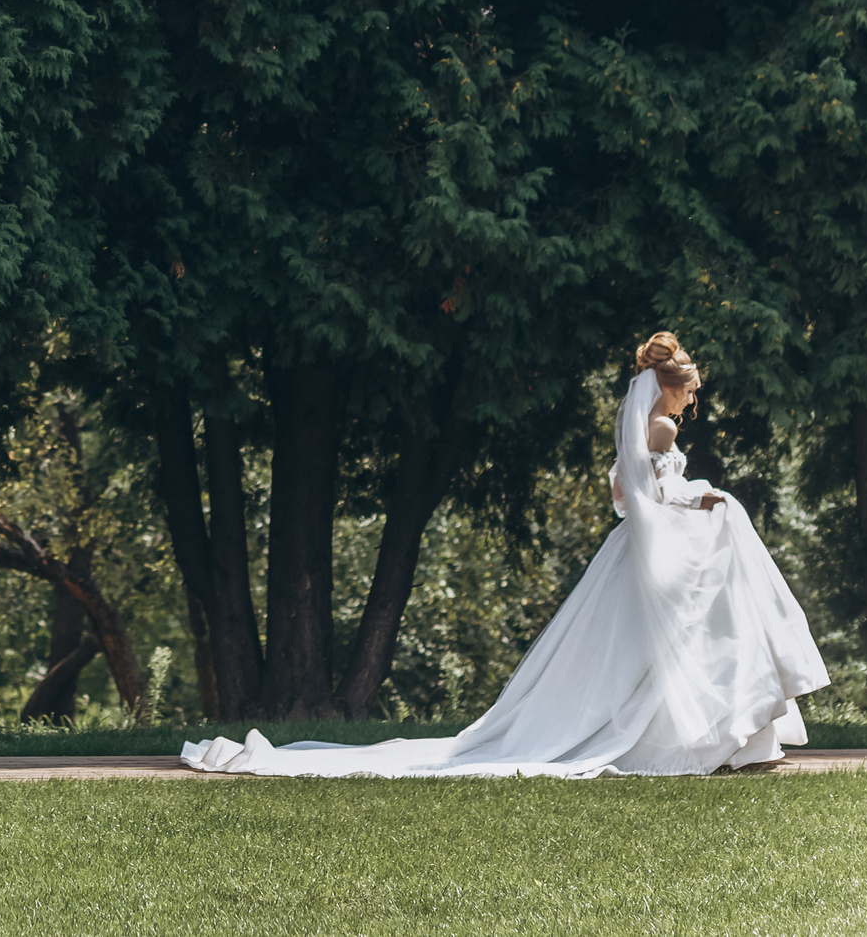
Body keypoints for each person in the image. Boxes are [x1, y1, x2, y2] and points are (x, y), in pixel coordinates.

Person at [182, 331, 829, 777]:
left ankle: (732, 739)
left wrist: (686, 496)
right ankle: (725, 738)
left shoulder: (645, 425)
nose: (693, 401)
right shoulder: (659, 425)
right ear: (671, 385)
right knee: (700, 619)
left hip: (637, 546)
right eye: (690, 391)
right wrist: (701, 499)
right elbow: (648, 492)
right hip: (655, 544)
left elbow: (621, 490)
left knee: (673, 640)